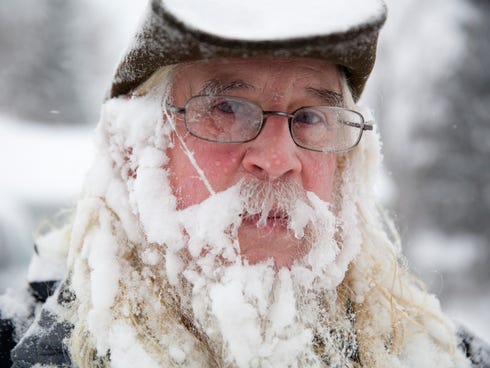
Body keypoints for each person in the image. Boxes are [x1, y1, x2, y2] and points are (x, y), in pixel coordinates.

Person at [1, 0, 489, 367]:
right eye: (227, 109)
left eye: (312, 116)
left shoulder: (445, 355)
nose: (279, 159)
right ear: (136, 154)